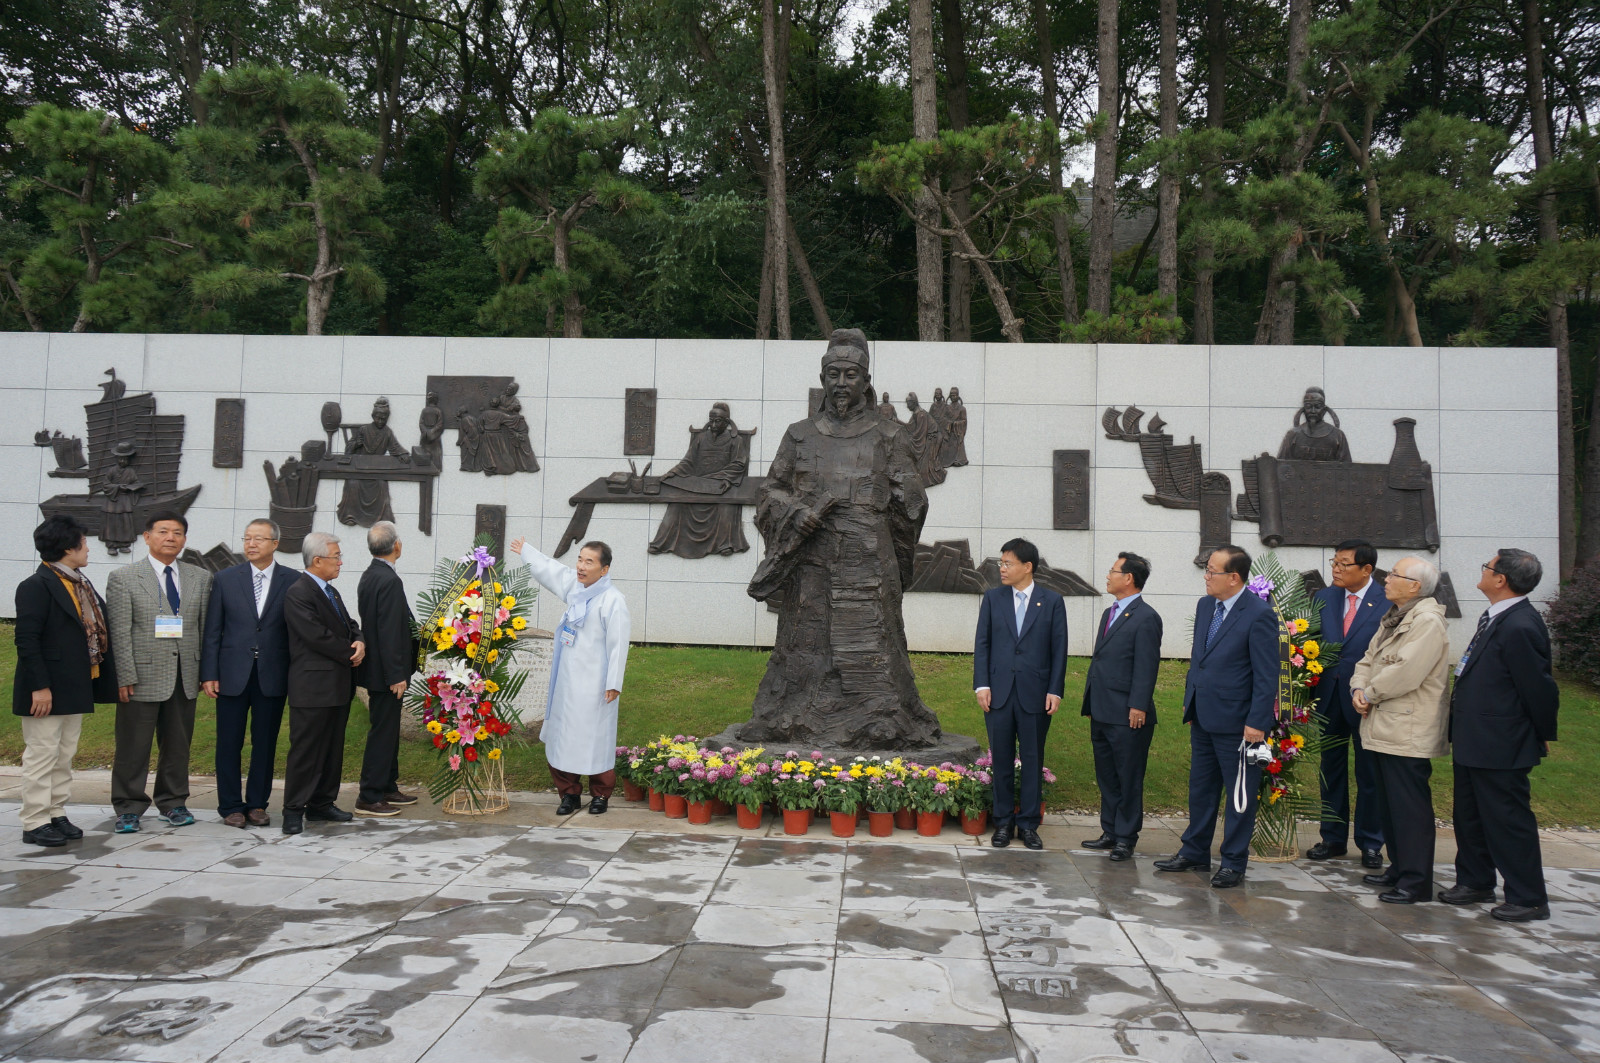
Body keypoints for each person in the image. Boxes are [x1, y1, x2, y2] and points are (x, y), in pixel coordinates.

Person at [743, 329, 940, 750]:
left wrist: (889, 543)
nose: (841, 384)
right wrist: (796, 513)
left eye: (851, 375)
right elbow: (769, 492)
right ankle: (793, 715)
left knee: (872, 647)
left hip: (867, 563)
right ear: (823, 379)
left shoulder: (889, 436)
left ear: (866, 381)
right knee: (805, 646)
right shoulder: (799, 435)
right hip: (812, 564)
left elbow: (912, 503)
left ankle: (880, 718)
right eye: (833, 374)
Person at [1437, 549, 1560, 922]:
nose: (1483, 570)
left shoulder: (1521, 624)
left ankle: (1528, 897)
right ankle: (1475, 880)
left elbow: (1538, 689)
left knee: (1507, 821)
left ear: (1501, 579)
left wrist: (1541, 734)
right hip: (1475, 737)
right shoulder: (1496, 617)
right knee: (1470, 816)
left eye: (1487, 566)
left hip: (1502, 743)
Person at [1157, 545, 1278, 887]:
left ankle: (1234, 862)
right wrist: (1189, 697)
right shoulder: (1206, 604)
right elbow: (1200, 657)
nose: (1206, 577)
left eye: (1212, 571)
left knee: (1238, 793)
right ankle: (1194, 850)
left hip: (1239, 723)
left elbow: (1266, 675)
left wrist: (1256, 722)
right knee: (1201, 788)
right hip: (1203, 714)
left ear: (1234, 577)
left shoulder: (1258, 614)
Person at [1349, 557, 1451, 904]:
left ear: (1415, 587)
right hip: (1383, 724)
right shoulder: (1395, 617)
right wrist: (1358, 689)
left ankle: (1416, 881)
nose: (1386, 579)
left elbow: (1407, 671)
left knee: (1409, 807)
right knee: (1390, 804)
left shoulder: (1427, 622)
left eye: (1394, 575)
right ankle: (1398, 868)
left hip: (1406, 728)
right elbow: (1367, 659)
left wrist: (1370, 693)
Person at [105, 511, 212, 833]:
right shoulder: (125, 578)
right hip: (141, 677)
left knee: (178, 745)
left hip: (184, 675)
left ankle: (174, 802)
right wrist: (123, 676)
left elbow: (205, 629)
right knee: (132, 747)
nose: (170, 538)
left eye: (177, 533)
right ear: (147, 536)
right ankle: (128, 807)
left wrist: (206, 672)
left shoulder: (200, 578)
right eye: (163, 531)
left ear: (184, 540)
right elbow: (120, 632)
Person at [13, 516, 118, 846]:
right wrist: (39, 687)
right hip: (46, 689)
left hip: (75, 685)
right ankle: (34, 821)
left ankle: (55, 813)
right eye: (84, 543)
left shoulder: (79, 583)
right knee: (42, 755)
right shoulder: (36, 586)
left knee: (63, 755)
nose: (88, 548)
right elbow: (27, 640)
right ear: (68, 547)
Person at [509, 535, 630, 814]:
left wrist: (614, 682)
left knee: (594, 737)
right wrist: (526, 551)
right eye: (579, 559)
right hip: (566, 682)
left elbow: (618, 645)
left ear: (604, 569)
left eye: (589, 562)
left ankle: (600, 794)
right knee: (563, 735)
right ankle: (569, 793)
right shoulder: (576, 589)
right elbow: (552, 571)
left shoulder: (612, 600)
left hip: (596, 686)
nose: (581, 566)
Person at [200, 519, 299, 828]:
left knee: (265, 742)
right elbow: (213, 630)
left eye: (259, 539)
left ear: (275, 543)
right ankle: (230, 805)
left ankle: (257, 804)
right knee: (228, 741)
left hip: (272, 674)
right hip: (231, 673)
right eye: (247, 538)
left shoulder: (292, 580)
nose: (251, 544)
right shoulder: (226, 579)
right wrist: (209, 672)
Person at [973, 537, 1067, 851]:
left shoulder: (1052, 601)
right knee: (1000, 759)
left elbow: (1059, 650)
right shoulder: (993, 599)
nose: (1002, 568)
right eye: (1001, 562)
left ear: (1027, 567)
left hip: (1035, 694)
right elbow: (982, 644)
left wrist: (1055, 689)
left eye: (1008, 563)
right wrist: (981, 684)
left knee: (1032, 759)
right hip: (998, 693)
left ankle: (1028, 825)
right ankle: (1002, 822)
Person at [1306, 539, 1388, 868]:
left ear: (1367, 569)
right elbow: (1312, 642)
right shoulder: (1325, 597)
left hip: (1366, 701)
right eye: (1334, 563)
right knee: (1331, 770)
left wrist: (1371, 691)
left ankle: (1371, 842)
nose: (1336, 570)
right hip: (1328, 698)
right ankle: (1332, 838)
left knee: (1369, 773)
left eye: (1344, 564)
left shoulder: (1386, 602)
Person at [281, 531, 366, 835]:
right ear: (317, 561)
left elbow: (349, 624)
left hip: (337, 686)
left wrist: (358, 642)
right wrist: (349, 652)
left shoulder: (330, 591)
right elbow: (315, 635)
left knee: (332, 749)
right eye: (336, 557)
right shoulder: (299, 592)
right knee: (306, 750)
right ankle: (293, 809)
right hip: (312, 688)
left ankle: (321, 803)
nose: (341, 562)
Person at [1081, 552, 1163, 861]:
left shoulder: (1146, 617)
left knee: (1128, 777)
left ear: (1128, 578)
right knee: (1107, 775)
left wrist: (1138, 706)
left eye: (1113, 571)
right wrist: (1091, 700)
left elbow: (1146, 666)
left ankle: (1126, 837)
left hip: (1129, 714)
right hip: (1102, 709)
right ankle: (1110, 830)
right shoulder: (1109, 613)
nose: (1108, 575)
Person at [354, 521, 419, 817]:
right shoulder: (388, 580)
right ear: (397, 546)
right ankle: (369, 794)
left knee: (389, 731)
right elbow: (389, 631)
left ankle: (387, 786)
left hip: (379, 669)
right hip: (385, 673)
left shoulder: (371, 575)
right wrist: (396, 674)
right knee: (382, 733)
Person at [649, 402, 751, 559]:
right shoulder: (701, 438)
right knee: (676, 504)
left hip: (719, 483)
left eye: (718, 421)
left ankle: (725, 543)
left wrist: (726, 478)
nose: (714, 424)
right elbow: (688, 461)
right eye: (711, 420)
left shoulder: (735, 441)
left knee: (727, 505)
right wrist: (673, 472)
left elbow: (738, 465)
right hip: (696, 483)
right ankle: (662, 542)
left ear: (726, 422)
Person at [337, 398, 410, 526]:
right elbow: (348, 449)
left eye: (384, 419)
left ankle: (381, 517)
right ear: (373, 416)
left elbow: (395, 447)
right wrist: (355, 444)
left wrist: (403, 454)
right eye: (378, 418)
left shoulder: (387, 432)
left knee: (381, 484)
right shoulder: (363, 430)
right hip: (360, 466)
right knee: (353, 483)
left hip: (377, 468)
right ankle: (350, 516)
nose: (380, 421)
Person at [1278, 386, 1352, 462]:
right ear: (1304, 409)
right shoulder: (1292, 435)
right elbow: (1280, 466)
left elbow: (1348, 468)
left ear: (1324, 409)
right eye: (1308, 406)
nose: (1313, 411)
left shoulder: (1338, 436)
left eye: (1317, 407)